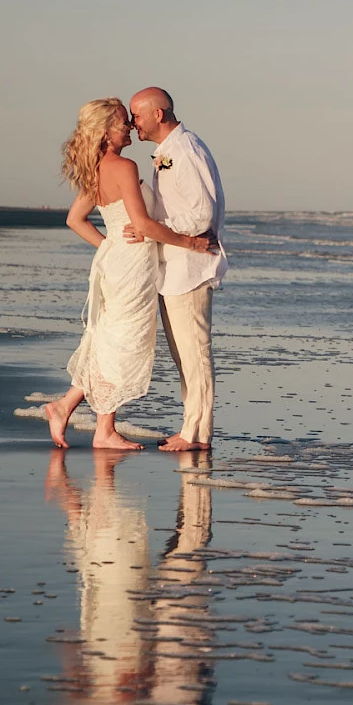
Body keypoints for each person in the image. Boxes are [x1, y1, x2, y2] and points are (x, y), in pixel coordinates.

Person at [43, 98, 216, 450]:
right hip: (133, 264)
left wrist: (109, 247)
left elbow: (74, 220)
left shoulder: (97, 167)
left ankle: (71, 410)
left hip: (118, 261)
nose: (130, 128)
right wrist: (191, 243)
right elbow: (142, 224)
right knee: (121, 340)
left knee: (110, 337)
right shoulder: (122, 166)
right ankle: (97, 426)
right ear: (107, 131)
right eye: (124, 123)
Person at [123, 87, 227, 453]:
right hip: (174, 266)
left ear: (158, 114)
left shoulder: (184, 150)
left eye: (137, 114)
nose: (132, 122)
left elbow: (203, 214)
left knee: (195, 353)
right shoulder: (168, 152)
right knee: (184, 355)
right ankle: (189, 427)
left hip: (191, 266)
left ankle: (198, 434)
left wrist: (154, 225)